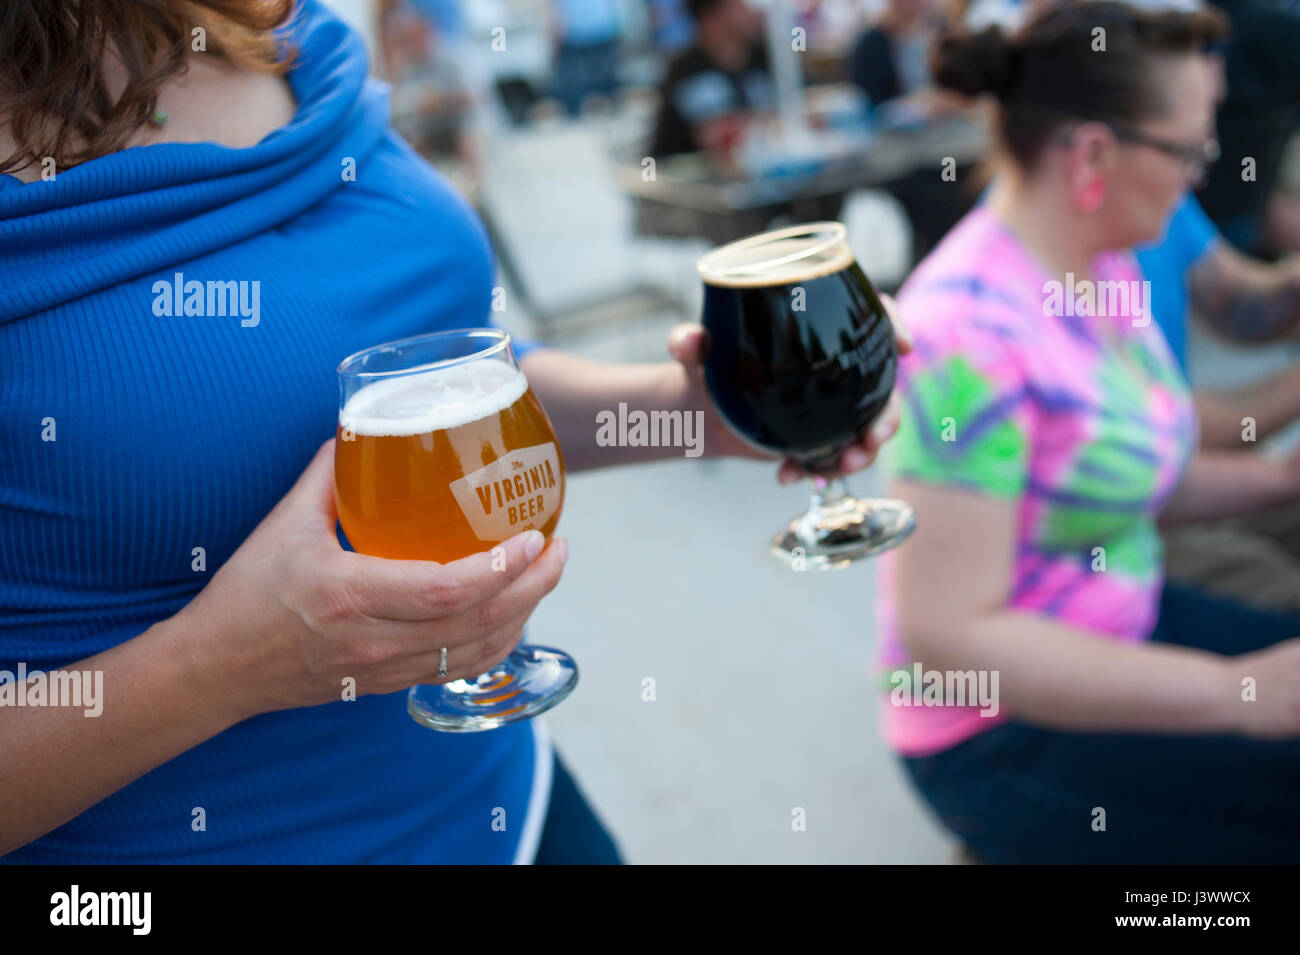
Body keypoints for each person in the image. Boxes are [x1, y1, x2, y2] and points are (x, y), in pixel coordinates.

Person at [0, 0, 905, 863]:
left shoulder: (275, 31)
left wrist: (701, 410)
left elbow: (441, 387)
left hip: (510, 806)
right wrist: (222, 667)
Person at [877, 2, 1300, 863]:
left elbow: (1131, 476)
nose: (1199, 175)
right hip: (997, 733)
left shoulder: (1100, 261)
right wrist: (1236, 692)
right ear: (1095, 153)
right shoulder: (968, 333)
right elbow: (949, 634)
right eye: (1189, 150)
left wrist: (1284, 481)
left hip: (1116, 620)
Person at [648, 0, 774, 160]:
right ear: (711, 15)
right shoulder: (684, 71)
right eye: (739, 6)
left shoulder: (763, 56)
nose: (749, 11)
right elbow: (711, 138)